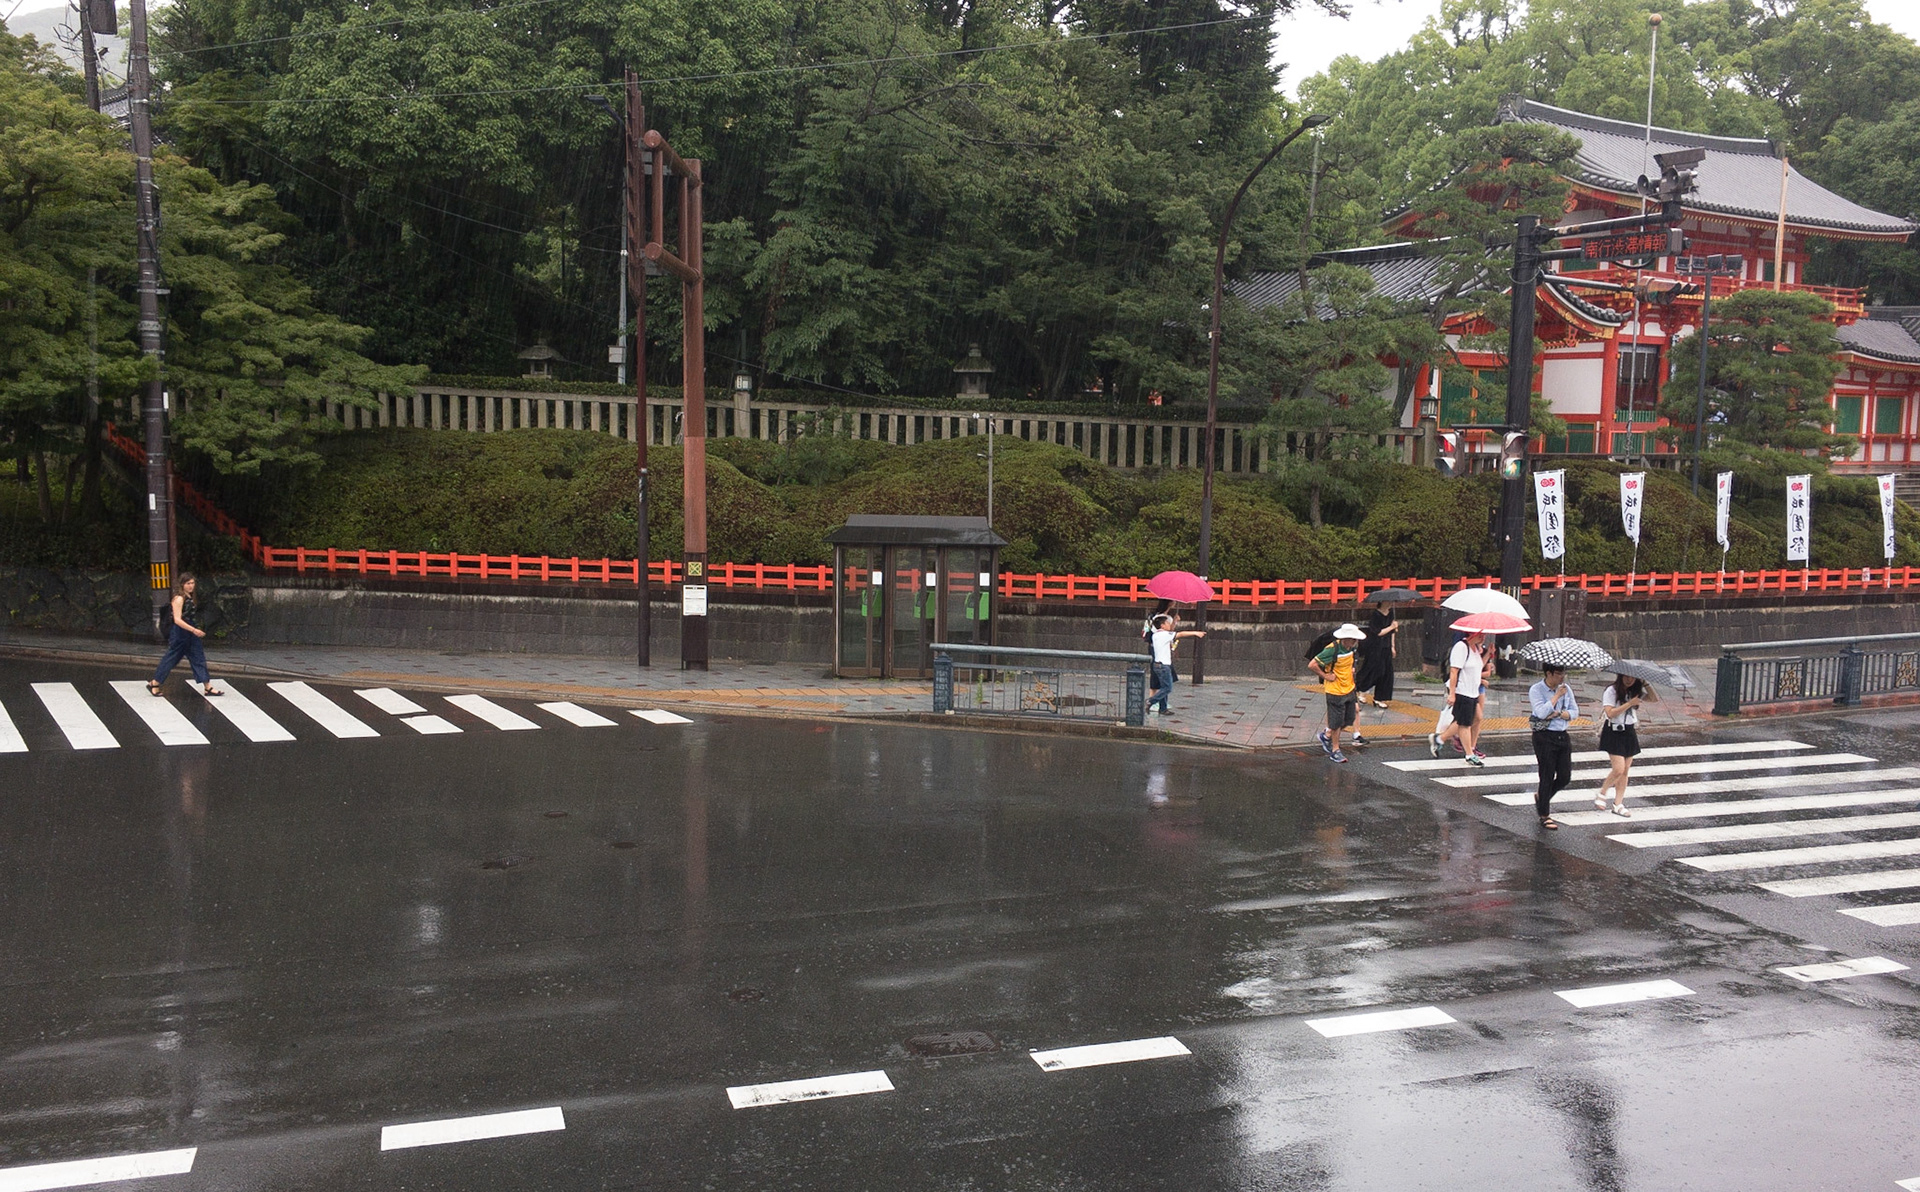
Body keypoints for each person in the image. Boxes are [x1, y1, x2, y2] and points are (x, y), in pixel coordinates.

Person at [149, 573, 223, 697]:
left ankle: (207, 687)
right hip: (180, 632)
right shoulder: (179, 598)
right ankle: (155, 683)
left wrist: (193, 630)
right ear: (182, 584)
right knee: (171, 659)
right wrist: (193, 630)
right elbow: (177, 620)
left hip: (190, 630)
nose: (191, 586)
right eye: (188, 583)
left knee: (198, 657)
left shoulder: (189, 597)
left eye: (192, 583)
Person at [1528, 664, 1579, 829]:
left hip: (1562, 734)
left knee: (1565, 777)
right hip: (1544, 736)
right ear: (1548, 673)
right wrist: (1556, 696)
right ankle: (1544, 815)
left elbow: (1575, 711)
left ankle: (1542, 797)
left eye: (1563, 673)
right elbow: (1541, 713)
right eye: (1558, 673)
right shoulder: (1536, 690)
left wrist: (1564, 714)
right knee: (1547, 775)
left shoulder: (1566, 689)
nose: (1562, 677)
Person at [1431, 630, 1492, 766]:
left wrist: (1488, 653)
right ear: (1472, 634)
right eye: (1480, 634)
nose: (1483, 637)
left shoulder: (1475, 648)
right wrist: (1452, 693)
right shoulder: (1461, 647)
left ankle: (1440, 739)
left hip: (1473, 692)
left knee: (1476, 717)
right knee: (1464, 724)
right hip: (1463, 692)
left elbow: (1477, 667)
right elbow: (1454, 671)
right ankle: (1469, 754)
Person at [1309, 623, 1367, 763]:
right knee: (1336, 722)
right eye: (1353, 639)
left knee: (1349, 718)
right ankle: (1335, 750)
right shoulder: (1332, 650)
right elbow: (1312, 665)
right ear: (1345, 638)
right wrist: (1326, 676)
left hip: (1349, 687)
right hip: (1335, 690)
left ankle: (1327, 736)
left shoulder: (1352, 648)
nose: (1355, 642)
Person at [1596, 673, 1647, 815]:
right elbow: (1610, 713)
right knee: (1618, 768)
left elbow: (1654, 699)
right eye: (1626, 677)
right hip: (1614, 731)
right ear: (1620, 676)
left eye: (1632, 677)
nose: (1629, 679)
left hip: (1629, 730)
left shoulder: (1634, 691)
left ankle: (1618, 804)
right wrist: (1629, 703)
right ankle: (1602, 792)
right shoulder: (1611, 691)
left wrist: (1646, 684)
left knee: (1625, 771)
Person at [1350, 599, 1398, 747]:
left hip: (1386, 647)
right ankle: (1361, 689)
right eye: (1388, 602)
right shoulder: (1375, 615)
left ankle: (1379, 697)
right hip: (1375, 646)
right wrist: (1391, 627)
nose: (1390, 603)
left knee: (1386, 672)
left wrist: (1392, 646)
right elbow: (1378, 632)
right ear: (1382, 602)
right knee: (1373, 669)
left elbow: (1392, 633)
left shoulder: (1391, 613)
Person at [1147, 612, 1203, 716]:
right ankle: (1151, 701)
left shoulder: (1155, 635)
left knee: (1163, 687)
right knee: (1167, 688)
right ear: (1162, 625)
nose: (1169, 624)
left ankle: (1163, 709)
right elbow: (1180, 634)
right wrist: (1195, 633)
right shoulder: (1164, 635)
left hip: (1157, 665)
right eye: (1167, 623)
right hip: (1164, 666)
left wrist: (1175, 621)